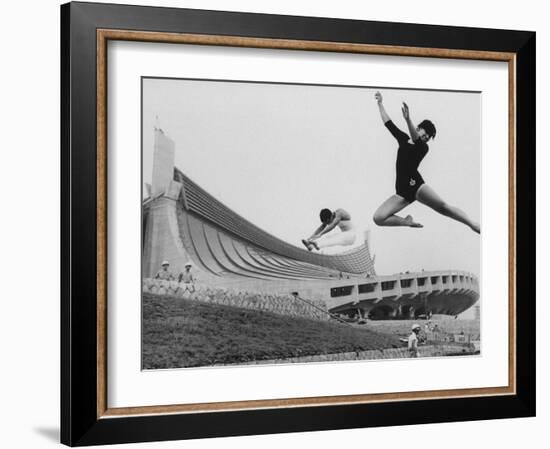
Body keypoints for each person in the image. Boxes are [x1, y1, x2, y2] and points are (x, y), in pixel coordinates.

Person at [372, 91, 480, 234]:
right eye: (425, 132)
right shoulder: (403, 139)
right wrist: (380, 103)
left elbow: (416, 139)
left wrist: (408, 119)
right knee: (378, 218)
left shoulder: (423, 147)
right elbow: (388, 123)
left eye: (428, 137)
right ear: (419, 128)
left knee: (443, 207)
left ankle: (473, 224)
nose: (426, 136)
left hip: (416, 186)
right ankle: (406, 222)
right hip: (402, 192)